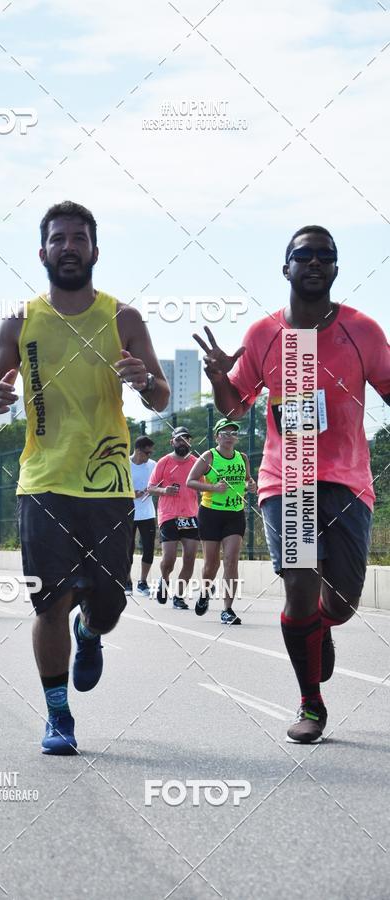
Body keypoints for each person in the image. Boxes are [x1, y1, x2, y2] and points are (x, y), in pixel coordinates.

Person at [0, 200, 170, 755]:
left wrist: (143, 382)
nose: (68, 247)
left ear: (94, 250)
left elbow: (159, 397)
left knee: (108, 608)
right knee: (49, 602)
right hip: (43, 482)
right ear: (43, 252)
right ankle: (58, 715)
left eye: (78, 238)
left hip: (109, 487)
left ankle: (91, 634)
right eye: (58, 239)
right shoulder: (21, 320)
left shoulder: (123, 319)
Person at [194, 224, 390, 743]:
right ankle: (311, 704)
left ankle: (319, 629)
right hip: (288, 480)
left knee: (342, 604)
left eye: (325, 255)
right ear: (286, 267)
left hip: (348, 480)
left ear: (335, 269)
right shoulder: (264, 335)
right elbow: (235, 405)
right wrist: (218, 378)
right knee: (299, 584)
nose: (315, 262)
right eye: (303, 254)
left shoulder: (362, 331)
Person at [186, 419, 257, 624]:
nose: (229, 436)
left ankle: (227, 609)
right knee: (211, 564)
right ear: (217, 436)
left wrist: (251, 486)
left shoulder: (242, 457)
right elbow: (190, 481)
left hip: (235, 513)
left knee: (231, 560)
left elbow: (247, 481)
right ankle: (205, 592)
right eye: (224, 433)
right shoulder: (209, 456)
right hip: (211, 514)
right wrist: (213, 488)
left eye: (233, 433)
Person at [147, 427, 200, 609]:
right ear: (172, 442)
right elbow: (151, 487)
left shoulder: (196, 462)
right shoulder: (164, 462)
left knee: (190, 558)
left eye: (186, 439)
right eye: (179, 439)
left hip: (191, 514)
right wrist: (164, 490)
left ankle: (179, 596)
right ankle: (164, 579)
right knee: (169, 559)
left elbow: (207, 485)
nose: (183, 443)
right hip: (168, 515)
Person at [126, 435, 157, 596]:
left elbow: (160, 483)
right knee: (127, 549)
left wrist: (154, 489)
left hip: (147, 514)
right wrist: (132, 494)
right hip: (128, 514)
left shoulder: (153, 465)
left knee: (148, 548)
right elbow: (115, 487)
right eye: (147, 453)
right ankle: (127, 581)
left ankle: (143, 582)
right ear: (137, 451)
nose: (149, 456)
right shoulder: (124, 464)